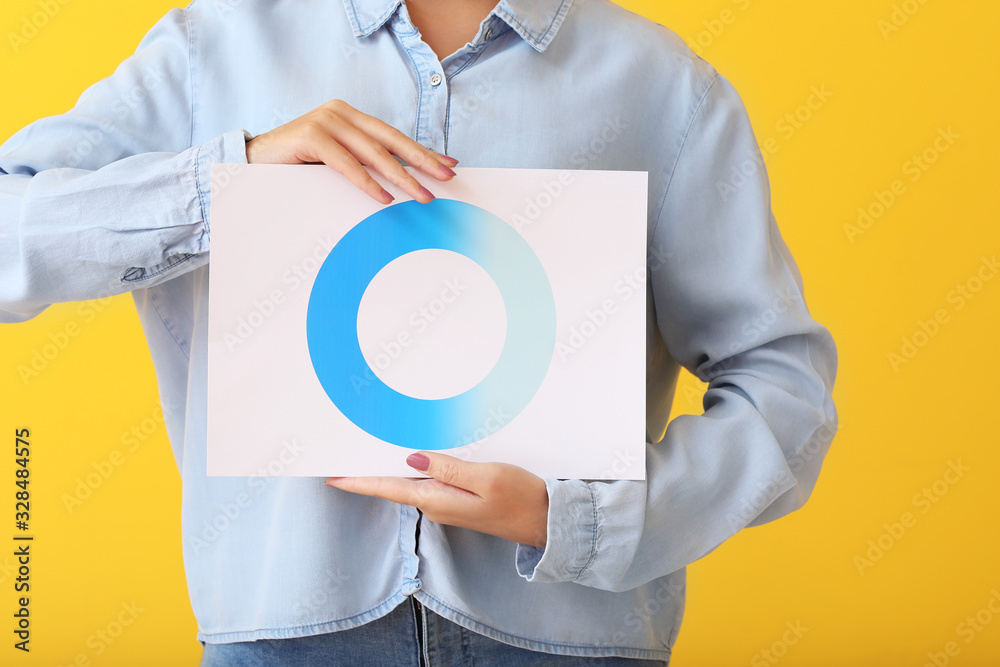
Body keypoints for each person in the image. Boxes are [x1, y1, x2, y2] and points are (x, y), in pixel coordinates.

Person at [0, 0, 838, 664]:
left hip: (572, 643)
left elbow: (785, 397)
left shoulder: (662, 87)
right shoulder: (207, 50)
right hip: (282, 641)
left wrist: (576, 517)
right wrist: (228, 177)